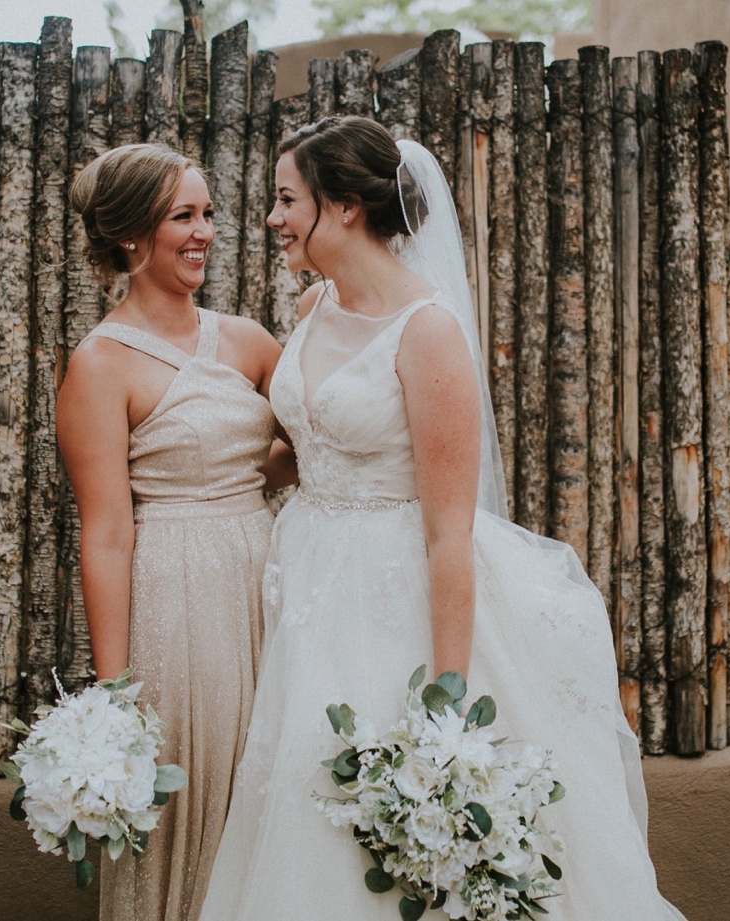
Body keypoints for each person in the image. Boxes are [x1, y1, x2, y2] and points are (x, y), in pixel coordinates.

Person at [199, 116, 685, 919]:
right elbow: (308, 443)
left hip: (394, 597)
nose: (274, 218)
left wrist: (449, 701)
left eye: (288, 199)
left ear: (345, 206)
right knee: (304, 793)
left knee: (391, 810)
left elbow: (448, 528)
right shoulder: (316, 303)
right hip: (309, 582)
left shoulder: (426, 332)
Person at [57, 143, 291, 921]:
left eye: (208, 214)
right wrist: (115, 695)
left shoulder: (250, 341)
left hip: (266, 580)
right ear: (130, 236)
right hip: (178, 600)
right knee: (196, 798)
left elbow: (321, 441)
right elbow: (107, 533)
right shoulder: (100, 365)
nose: (204, 233)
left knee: (270, 798)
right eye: (182, 217)